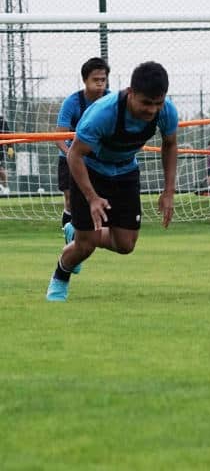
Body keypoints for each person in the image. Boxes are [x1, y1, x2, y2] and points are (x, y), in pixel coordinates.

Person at [45, 61, 178, 302]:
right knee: (86, 247)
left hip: (126, 172)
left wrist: (169, 191)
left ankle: (76, 232)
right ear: (130, 92)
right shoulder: (102, 114)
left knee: (126, 245)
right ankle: (60, 276)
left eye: (157, 103)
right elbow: (74, 154)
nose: (152, 110)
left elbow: (170, 144)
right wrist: (91, 197)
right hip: (91, 171)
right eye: (146, 103)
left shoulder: (166, 111)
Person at [55, 57, 111, 226]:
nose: (100, 84)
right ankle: (68, 233)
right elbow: (59, 137)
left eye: (103, 80)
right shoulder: (72, 103)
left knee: (103, 196)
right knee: (71, 200)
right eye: (95, 80)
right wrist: (72, 154)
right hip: (71, 157)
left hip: (98, 158)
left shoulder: (112, 100)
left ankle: (101, 232)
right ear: (85, 80)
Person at [0, 114, 9, 195]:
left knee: (1, 169)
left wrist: (10, 147)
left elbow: (8, 135)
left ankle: (5, 187)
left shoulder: (2, 120)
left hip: (0, 149)